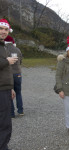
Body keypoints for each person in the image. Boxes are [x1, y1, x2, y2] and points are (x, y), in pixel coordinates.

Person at [0, 19, 18, 150]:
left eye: (6, 29)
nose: (3, 32)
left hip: (5, 88)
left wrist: (11, 88)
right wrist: (7, 61)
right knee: (4, 122)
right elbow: (5, 64)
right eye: (1, 28)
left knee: (5, 121)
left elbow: (7, 70)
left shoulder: (3, 46)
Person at [5, 35, 24, 118]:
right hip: (18, 73)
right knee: (18, 92)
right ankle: (20, 111)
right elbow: (21, 61)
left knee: (9, 93)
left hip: (8, 74)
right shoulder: (17, 49)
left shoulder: (4, 49)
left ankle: (11, 113)